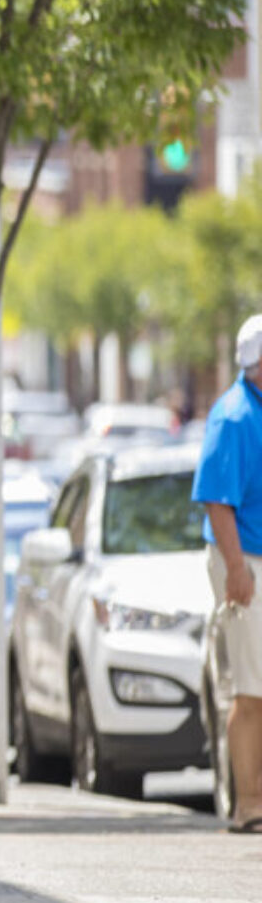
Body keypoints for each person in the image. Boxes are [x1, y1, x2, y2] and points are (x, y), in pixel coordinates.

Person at [193, 313, 262, 832]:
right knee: (251, 687)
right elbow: (218, 503)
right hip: (247, 560)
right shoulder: (235, 416)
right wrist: (237, 569)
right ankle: (249, 805)